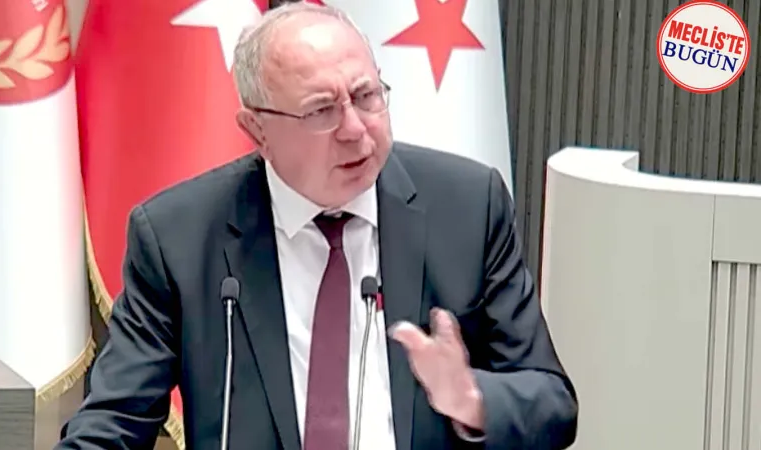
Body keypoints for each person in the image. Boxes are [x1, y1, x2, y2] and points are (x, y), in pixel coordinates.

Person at [57, 2, 577, 449]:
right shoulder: (181, 236)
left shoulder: (466, 206)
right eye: (321, 111)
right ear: (257, 129)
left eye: (367, 96)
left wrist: (471, 399)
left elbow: (554, 406)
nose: (354, 129)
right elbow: (115, 419)